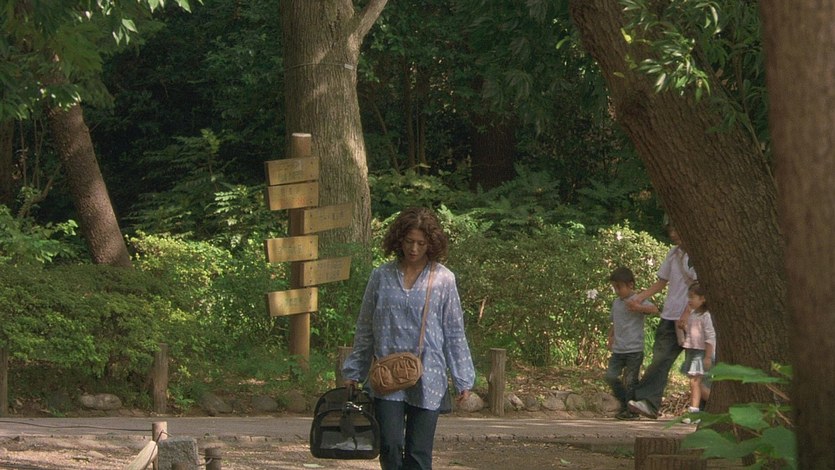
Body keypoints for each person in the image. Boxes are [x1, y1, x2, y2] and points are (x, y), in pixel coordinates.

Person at [342, 207, 476, 470]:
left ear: (431, 244)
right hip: (387, 375)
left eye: (421, 243)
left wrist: (462, 379)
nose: (414, 249)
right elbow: (365, 327)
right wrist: (354, 371)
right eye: (409, 241)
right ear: (399, 240)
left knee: (418, 453)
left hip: (429, 374)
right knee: (390, 445)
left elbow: (454, 331)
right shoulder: (380, 276)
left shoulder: (444, 279)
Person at [627, 223, 698, 419]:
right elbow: (661, 282)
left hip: (694, 318)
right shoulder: (673, 254)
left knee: (697, 367)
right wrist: (639, 298)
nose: (674, 234)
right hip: (670, 316)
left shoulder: (698, 255)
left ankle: (702, 409)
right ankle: (648, 402)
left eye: (677, 229)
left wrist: (687, 313)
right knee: (659, 360)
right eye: (671, 230)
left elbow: (700, 287)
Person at [605, 267, 659, 420]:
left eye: (619, 287)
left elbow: (654, 309)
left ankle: (631, 411)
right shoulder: (616, 303)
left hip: (634, 349)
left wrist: (638, 307)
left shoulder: (637, 299)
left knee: (630, 381)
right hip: (618, 349)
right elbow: (615, 322)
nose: (617, 291)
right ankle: (626, 403)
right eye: (615, 287)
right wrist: (610, 336)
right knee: (610, 376)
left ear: (630, 285)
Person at [679, 282, 716, 424]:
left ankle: (694, 412)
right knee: (699, 385)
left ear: (703, 298)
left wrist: (708, 356)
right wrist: (684, 328)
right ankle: (715, 407)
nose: (689, 300)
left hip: (701, 352)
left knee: (695, 382)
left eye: (692, 297)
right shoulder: (694, 314)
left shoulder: (706, 316)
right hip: (692, 351)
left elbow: (710, 337)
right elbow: (694, 334)